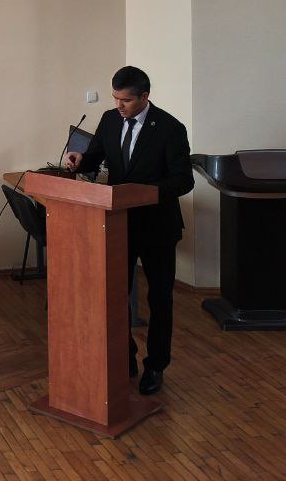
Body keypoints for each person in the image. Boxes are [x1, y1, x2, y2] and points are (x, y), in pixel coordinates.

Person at [65, 66, 192, 396]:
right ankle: (126, 358)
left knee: (159, 299)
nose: (119, 106)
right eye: (115, 98)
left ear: (144, 96)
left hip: (158, 227)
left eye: (126, 100)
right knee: (115, 294)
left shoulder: (170, 128)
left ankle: (156, 366)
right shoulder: (110, 120)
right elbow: (95, 157)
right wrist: (80, 160)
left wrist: (144, 193)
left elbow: (183, 181)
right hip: (118, 224)